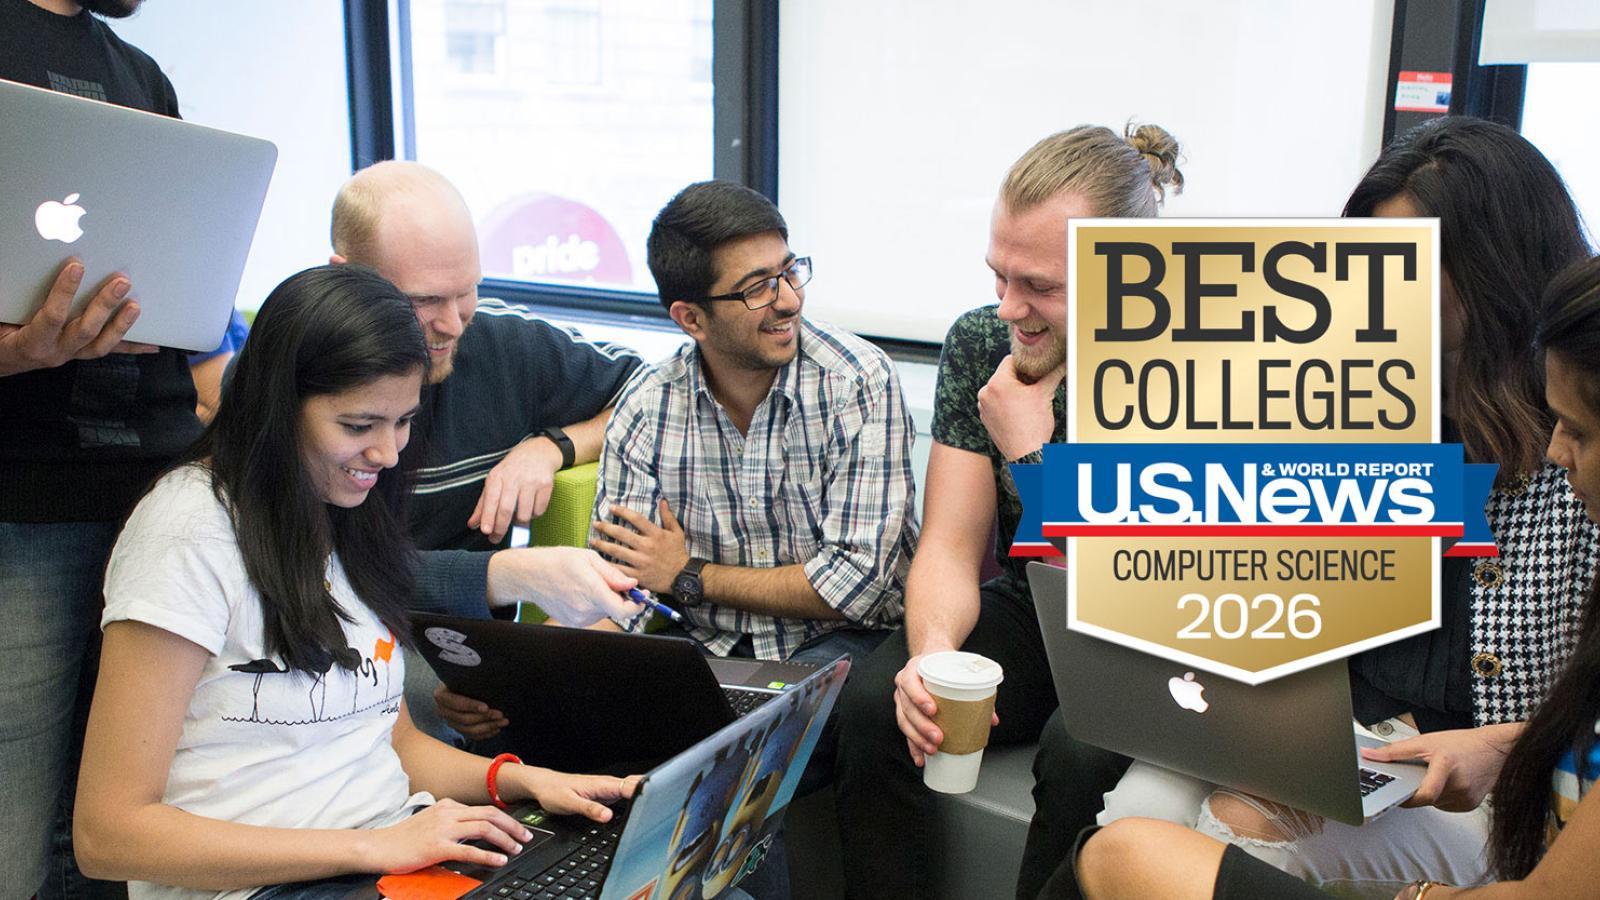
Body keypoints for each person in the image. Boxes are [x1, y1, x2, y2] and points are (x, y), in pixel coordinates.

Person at [1051, 116, 1600, 898]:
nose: (1380, 286)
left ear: (1491, 271)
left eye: (1408, 263)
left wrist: (1489, 744)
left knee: (1214, 840)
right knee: (1129, 812)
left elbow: (1572, 724)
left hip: (1488, 786)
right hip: (1338, 737)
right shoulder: (1353, 399)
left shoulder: (1574, 445)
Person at [70, 264, 639, 900]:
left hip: (388, 855)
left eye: (402, 422)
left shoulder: (343, 510)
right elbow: (108, 835)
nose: (388, 454)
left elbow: (390, 744)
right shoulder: (186, 530)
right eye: (358, 426)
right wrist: (374, 846)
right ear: (278, 407)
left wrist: (528, 780)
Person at [829, 123, 1185, 899]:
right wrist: (929, 656)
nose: (1010, 308)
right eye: (1000, 276)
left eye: (1041, 288)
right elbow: (951, 550)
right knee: (874, 703)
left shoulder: (1188, 366)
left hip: (1153, 624)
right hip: (1039, 603)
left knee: (1079, 750)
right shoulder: (982, 345)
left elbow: (1150, 588)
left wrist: (1033, 459)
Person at [0, 1, 199, 895]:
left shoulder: (141, 74)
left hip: (155, 493)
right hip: (25, 502)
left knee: (132, 813)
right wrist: (19, 351)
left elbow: (188, 275)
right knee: (16, 817)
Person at [587, 179, 917, 667]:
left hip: (846, 639)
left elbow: (853, 586)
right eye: (757, 288)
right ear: (691, 320)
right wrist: (525, 671)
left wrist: (688, 574)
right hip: (707, 644)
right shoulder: (646, 405)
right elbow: (620, 593)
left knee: (823, 713)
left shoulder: (856, 381)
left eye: (789, 272)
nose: (788, 300)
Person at [328, 161, 648, 633]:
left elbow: (657, 393)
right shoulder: (287, 373)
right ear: (346, 278)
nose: (454, 324)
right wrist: (508, 575)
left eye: (466, 290)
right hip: (334, 646)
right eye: (424, 301)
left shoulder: (504, 346)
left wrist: (553, 447)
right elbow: (318, 574)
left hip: (471, 645)